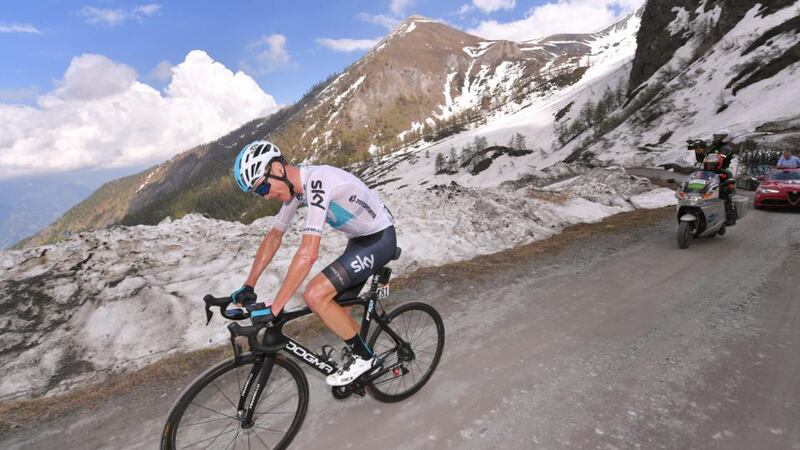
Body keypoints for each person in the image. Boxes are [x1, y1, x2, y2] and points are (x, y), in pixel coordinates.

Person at [229, 140, 397, 386]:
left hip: (380, 239)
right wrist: (249, 285)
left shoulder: (318, 182)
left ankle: (365, 359)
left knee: (315, 295)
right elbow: (274, 236)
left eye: (263, 189)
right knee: (335, 311)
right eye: (259, 193)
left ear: (277, 170)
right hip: (359, 241)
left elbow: (308, 253)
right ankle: (361, 361)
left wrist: (276, 307)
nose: (265, 197)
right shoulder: (296, 191)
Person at [702, 153, 736, 226]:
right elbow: (693, 178)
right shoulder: (701, 172)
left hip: (719, 191)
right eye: (708, 164)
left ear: (718, 164)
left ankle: (731, 217)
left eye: (712, 165)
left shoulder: (725, 173)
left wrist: (728, 187)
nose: (710, 166)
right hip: (703, 191)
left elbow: (731, 183)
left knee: (727, 199)